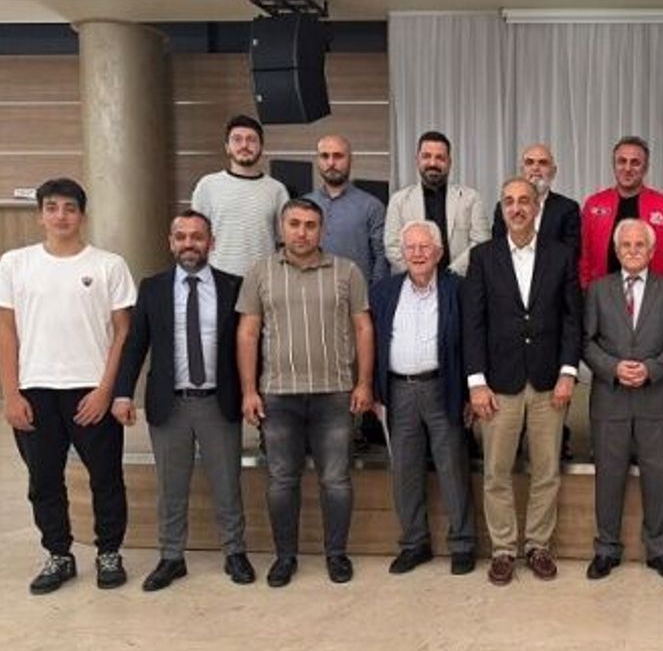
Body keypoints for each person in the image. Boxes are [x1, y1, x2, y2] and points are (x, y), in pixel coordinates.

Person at [0, 177, 135, 594]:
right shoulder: (15, 264)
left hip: (90, 389)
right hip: (35, 389)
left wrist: (105, 390)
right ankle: (58, 554)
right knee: (43, 480)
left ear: (82, 216)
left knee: (106, 478)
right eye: (52, 208)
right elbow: (6, 331)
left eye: (70, 208)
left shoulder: (109, 265)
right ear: (40, 215)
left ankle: (109, 551)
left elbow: (122, 332)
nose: (61, 216)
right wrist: (11, 394)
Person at [112, 210, 255, 591]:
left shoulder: (233, 286)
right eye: (182, 236)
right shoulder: (152, 288)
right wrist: (123, 393)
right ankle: (171, 557)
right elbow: (135, 345)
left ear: (211, 243)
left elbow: (250, 343)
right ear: (170, 242)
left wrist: (253, 391)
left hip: (218, 402)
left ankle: (235, 552)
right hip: (169, 404)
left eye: (197, 236)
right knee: (170, 487)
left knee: (227, 484)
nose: (189, 243)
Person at [236, 198, 375, 588]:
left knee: (336, 480)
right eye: (294, 224)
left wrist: (364, 383)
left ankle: (336, 554)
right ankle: (285, 557)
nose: (302, 232)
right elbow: (248, 333)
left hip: (335, 395)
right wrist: (249, 390)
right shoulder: (260, 272)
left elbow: (363, 328)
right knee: (282, 480)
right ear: (282, 228)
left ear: (322, 230)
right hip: (278, 396)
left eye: (311, 225)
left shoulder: (347, 271)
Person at [464, 177, 582, 586]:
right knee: (496, 472)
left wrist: (568, 372)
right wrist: (476, 382)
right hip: (499, 383)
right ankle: (502, 550)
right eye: (509, 202)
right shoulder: (483, 256)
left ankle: (537, 545)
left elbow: (572, 319)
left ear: (537, 208)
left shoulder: (561, 255)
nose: (517, 208)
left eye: (524, 201)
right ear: (502, 209)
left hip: (550, 382)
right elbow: (473, 323)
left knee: (546, 470)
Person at [583, 219, 663, 581]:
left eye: (639, 245)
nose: (632, 251)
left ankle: (659, 550)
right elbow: (586, 342)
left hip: (656, 399)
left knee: (658, 478)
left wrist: (651, 369)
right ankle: (606, 549)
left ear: (651, 250)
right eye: (626, 245)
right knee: (608, 478)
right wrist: (613, 368)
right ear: (616, 250)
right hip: (610, 399)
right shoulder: (597, 290)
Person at [370, 221, 477, 576]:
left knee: (452, 467)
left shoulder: (457, 289)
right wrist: (374, 389)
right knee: (405, 471)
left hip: (442, 387)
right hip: (398, 390)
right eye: (411, 247)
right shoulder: (383, 291)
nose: (417, 254)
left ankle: (462, 543)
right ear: (402, 253)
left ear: (439, 252)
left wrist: (469, 391)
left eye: (424, 247)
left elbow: (469, 342)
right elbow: (372, 341)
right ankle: (414, 543)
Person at [191, 115, 290, 276]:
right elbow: (195, 238)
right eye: (237, 139)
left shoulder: (277, 190)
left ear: (261, 146)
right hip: (217, 280)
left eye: (251, 140)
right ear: (227, 147)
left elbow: (285, 243)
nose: (244, 145)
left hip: (264, 280)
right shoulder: (207, 186)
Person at [579, 136, 663, 288]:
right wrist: (585, 288)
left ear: (645, 168)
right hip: (603, 294)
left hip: (652, 294)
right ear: (614, 165)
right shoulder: (594, 204)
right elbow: (584, 252)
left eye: (635, 163)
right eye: (622, 161)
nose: (627, 168)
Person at [385, 130, 489, 275]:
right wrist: (419, 275)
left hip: (460, 281)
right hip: (412, 281)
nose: (433, 163)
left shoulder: (471, 198)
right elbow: (392, 246)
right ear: (417, 160)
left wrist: (450, 275)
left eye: (440, 157)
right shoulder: (398, 200)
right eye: (426, 156)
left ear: (449, 162)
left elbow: (481, 242)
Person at [305, 134, 389, 286]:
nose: (331, 163)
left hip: (356, 297)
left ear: (351, 160)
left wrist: (375, 295)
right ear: (318, 161)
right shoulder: (305, 205)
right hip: (311, 293)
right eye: (325, 156)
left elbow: (381, 258)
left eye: (338, 156)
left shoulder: (371, 206)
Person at [490, 143, 581, 262]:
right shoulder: (504, 207)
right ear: (522, 170)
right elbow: (497, 249)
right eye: (529, 162)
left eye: (543, 163)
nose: (535, 168)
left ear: (553, 171)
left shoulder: (567, 209)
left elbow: (570, 254)